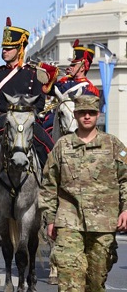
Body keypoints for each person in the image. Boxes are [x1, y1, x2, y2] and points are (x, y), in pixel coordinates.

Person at [0, 17, 55, 218]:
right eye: (4, 48)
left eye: (10, 48)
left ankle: (51, 198)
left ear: (20, 48)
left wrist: (28, 115)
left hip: (26, 120)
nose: (4, 51)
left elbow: (39, 103)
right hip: (1, 121)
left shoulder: (34, 74)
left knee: (49, 149)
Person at [39, 95, 127, 292]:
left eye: (91, 113)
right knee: (70, 280)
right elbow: (49, 185)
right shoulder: (62, 145)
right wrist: (50, 219)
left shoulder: (113, 145)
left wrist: (126, 209)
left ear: (98, 115)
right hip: (69, 222)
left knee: (95, 282)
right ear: (75, 115)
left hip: (104, 223)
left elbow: (126, 179)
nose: (87, 117)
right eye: (82, 113)